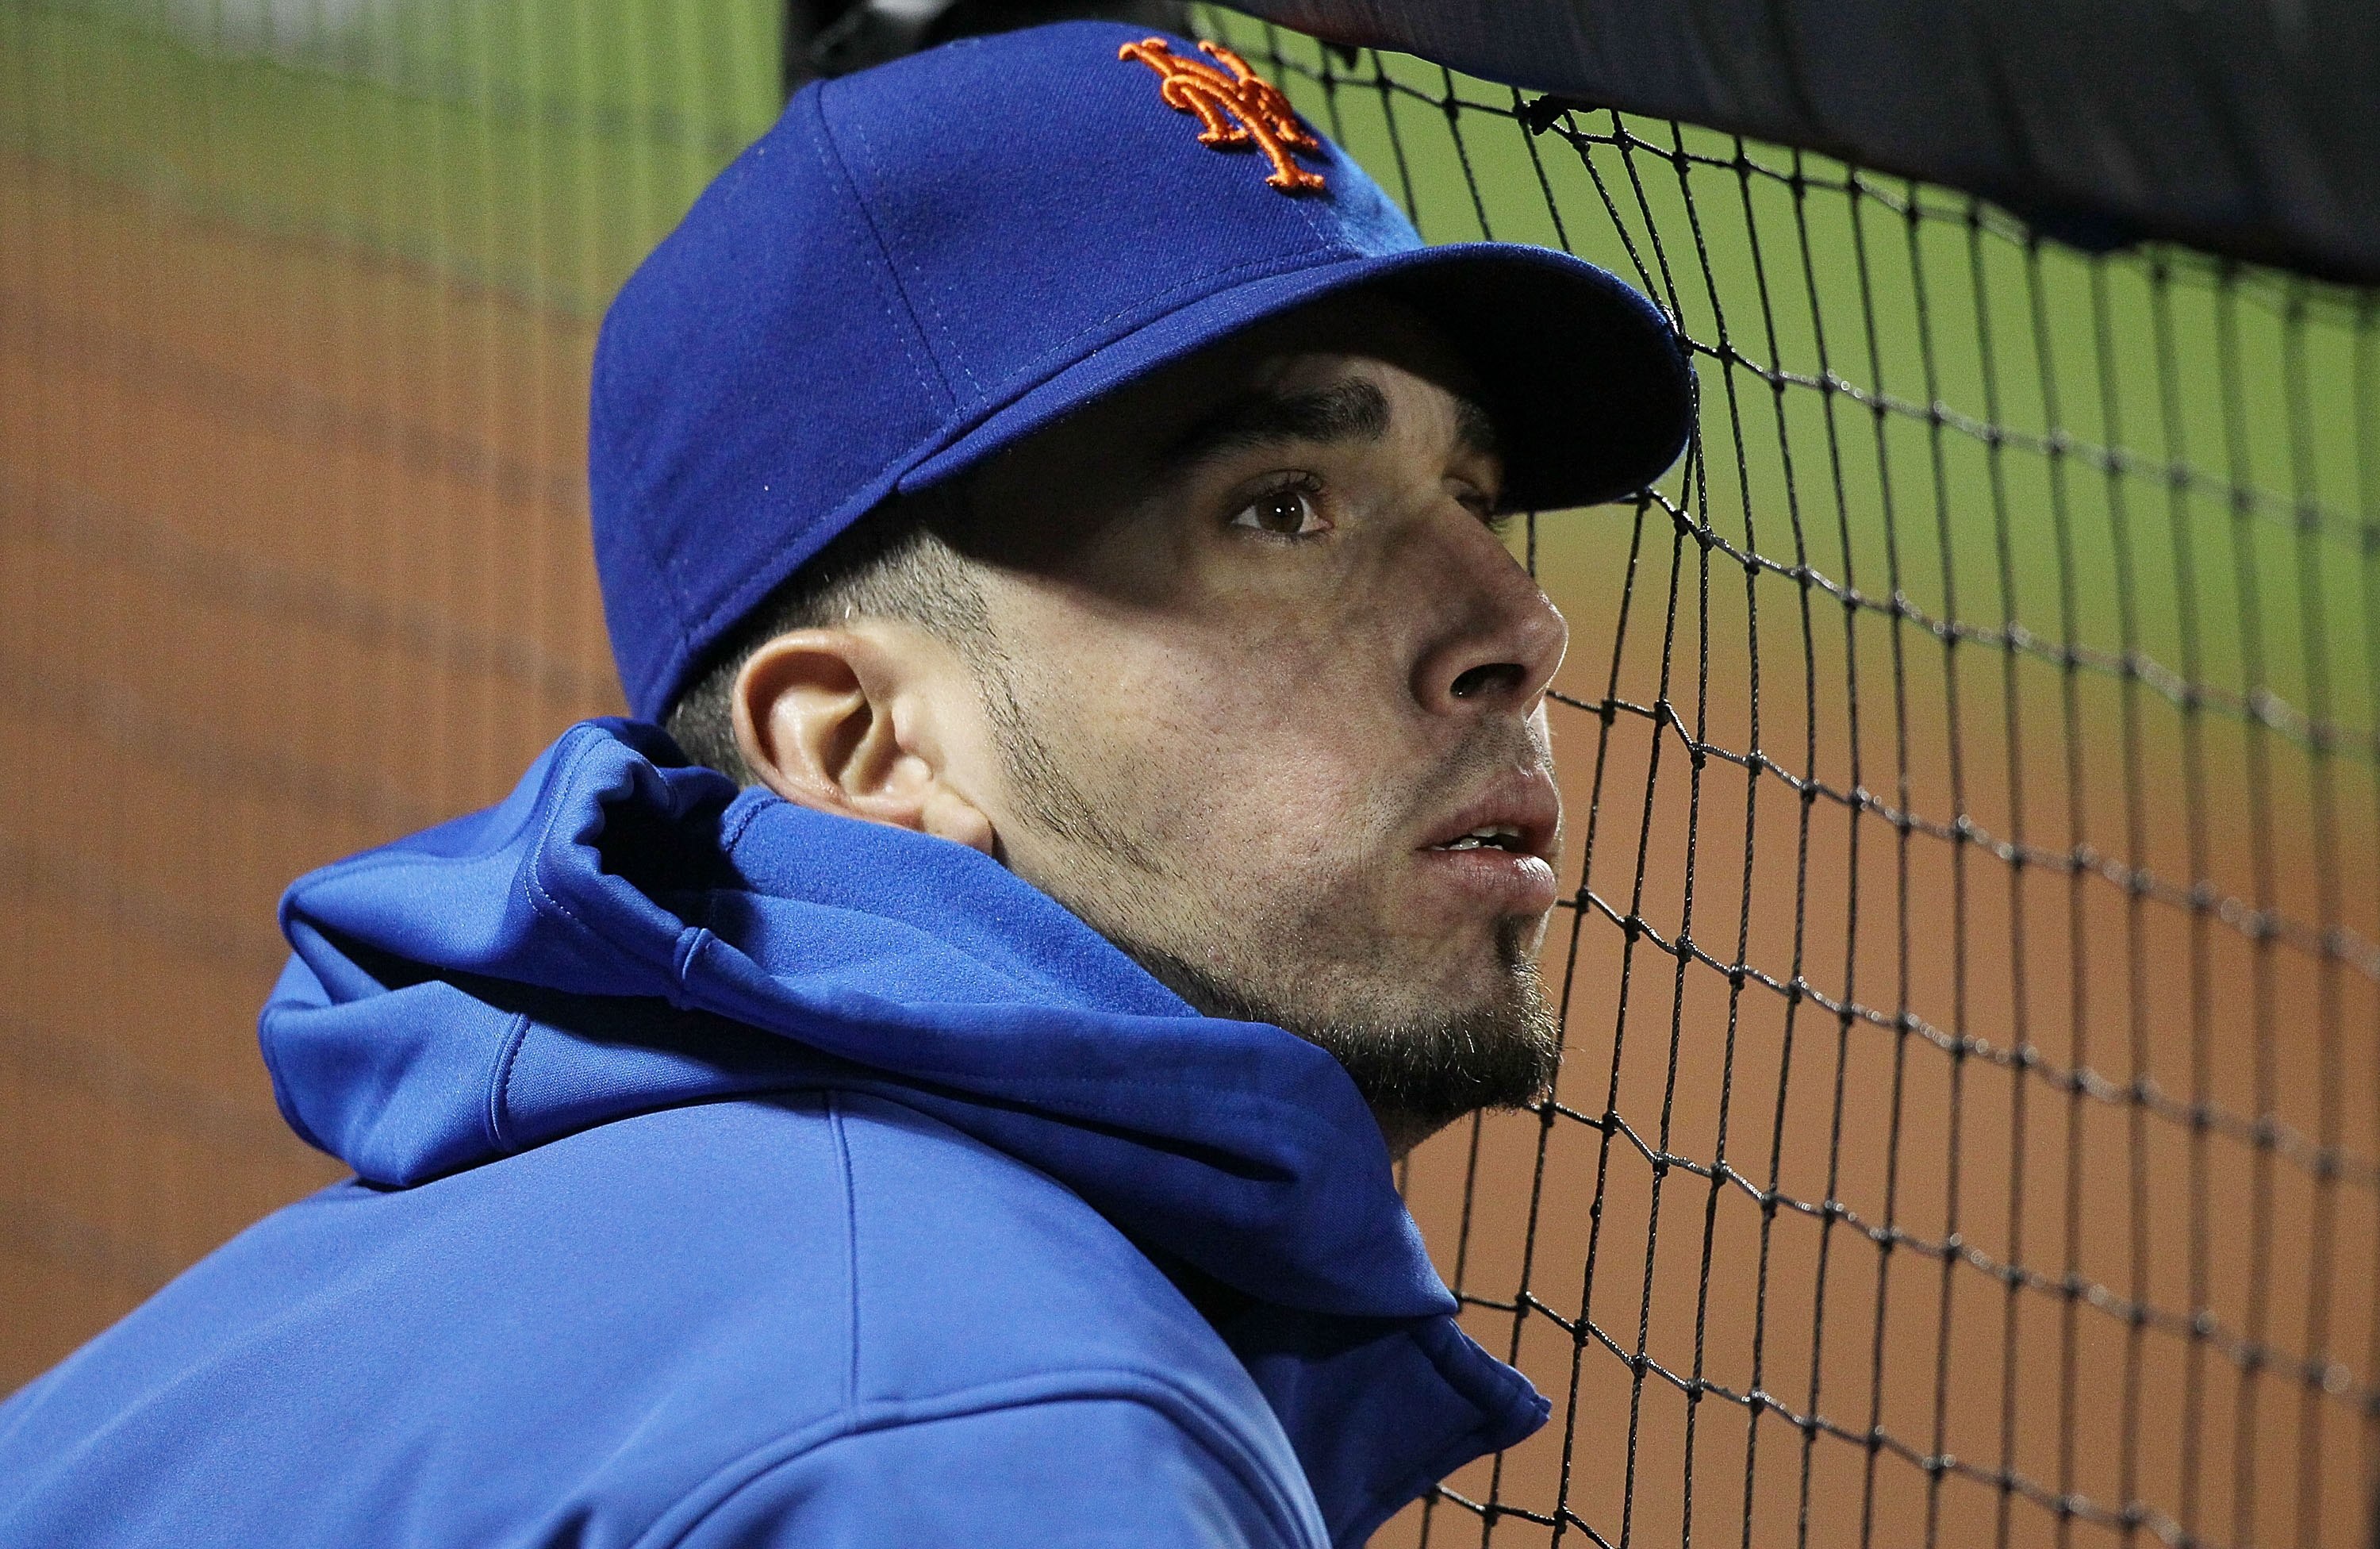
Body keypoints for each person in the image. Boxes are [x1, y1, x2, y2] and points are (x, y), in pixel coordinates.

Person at [0, 21, 1689, 1547]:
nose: (1516, 624)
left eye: (1474, 492)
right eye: (1284, 509)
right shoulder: (985, 1432)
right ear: (860, 744)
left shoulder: (447, 1285)